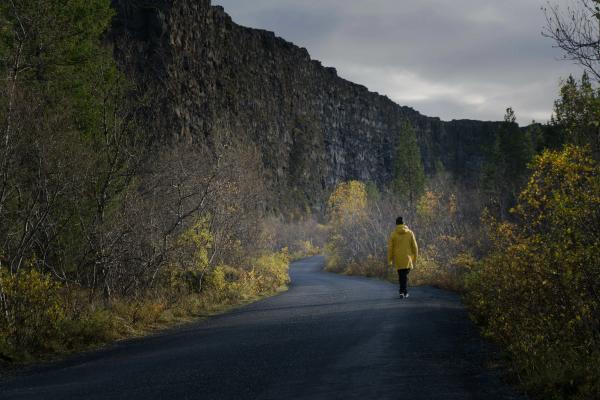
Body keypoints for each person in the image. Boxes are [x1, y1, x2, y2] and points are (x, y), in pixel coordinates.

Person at [387, 216, 418, 299]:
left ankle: (402, 292)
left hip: (398, 259)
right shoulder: (410, 233)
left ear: (396, 224)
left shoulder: (393, 234)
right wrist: (415, 258)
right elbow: (415, 247)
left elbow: (390, 248)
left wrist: (390, 259)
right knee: (404, 276)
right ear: (404, 223)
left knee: (401, 275)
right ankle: (404, 292)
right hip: (408, 259)